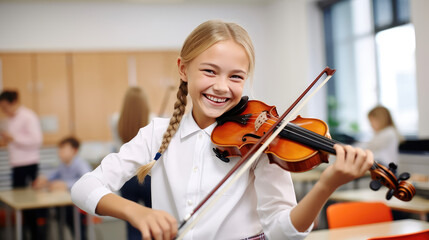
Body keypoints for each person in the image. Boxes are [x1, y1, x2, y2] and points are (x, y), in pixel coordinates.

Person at [72, 20, 374, 240]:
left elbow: (284, 232)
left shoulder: (263, 144)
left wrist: (326, 186)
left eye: (236, 76)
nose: (221, 86)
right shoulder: (156, 133)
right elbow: (83, 187)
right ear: (183, 69)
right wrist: (137, 212)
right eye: (209, 71)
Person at [112, 87, 152, 240]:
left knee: (132, 222)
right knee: (153, 219)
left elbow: (116, 147)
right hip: (148, 175)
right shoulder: (153, 120)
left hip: (126, 176)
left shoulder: (116, 120)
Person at [33, 136, 91, 240]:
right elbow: (52, 175)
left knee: (79, 232)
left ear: (74, 151)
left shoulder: (80, 164)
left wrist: (65, 184)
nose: (60, 152)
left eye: (63, 149)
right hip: (65, 204)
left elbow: (87, 181)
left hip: (78, 207)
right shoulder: (63, 165)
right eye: (59, 149)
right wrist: (44, 179)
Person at [0, 90, 43, 188]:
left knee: (32, 195)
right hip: (16, 163)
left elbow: (36, 140)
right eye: (2, 108)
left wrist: (13, 138)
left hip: (29, 163)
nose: (4, 110)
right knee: (17, 195)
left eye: (5, 107)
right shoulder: (9, 120)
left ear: (14, 102)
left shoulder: (28, 116)